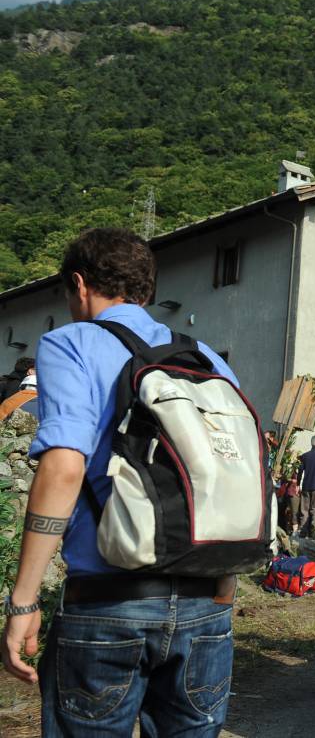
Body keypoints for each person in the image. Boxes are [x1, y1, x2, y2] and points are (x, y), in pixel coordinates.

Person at [1, 227, 239, 734]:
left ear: (80, 285)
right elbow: (231, 476)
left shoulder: (70, 345)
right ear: (146, 291)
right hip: (204, 605)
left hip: (107, 603)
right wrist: (224, 585)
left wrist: (23, 600)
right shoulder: (207, 359)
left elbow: (64, 467)